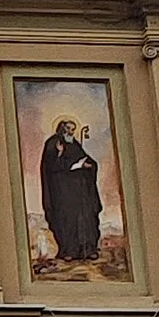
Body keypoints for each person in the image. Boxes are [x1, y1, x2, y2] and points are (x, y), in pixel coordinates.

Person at [39, 114, 103, 267]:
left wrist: (89, 166)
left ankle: (88, 249)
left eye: (73, 130)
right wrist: (61, 155)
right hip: (63, 192)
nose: (70, 132)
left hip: (80, 192)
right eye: (68, 129)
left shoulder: (74, 144)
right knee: (67, 220)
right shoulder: (53, 143)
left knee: (87, 217)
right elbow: (51, 167)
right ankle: (69, 251)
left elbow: (86, 160)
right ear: (61, 128)